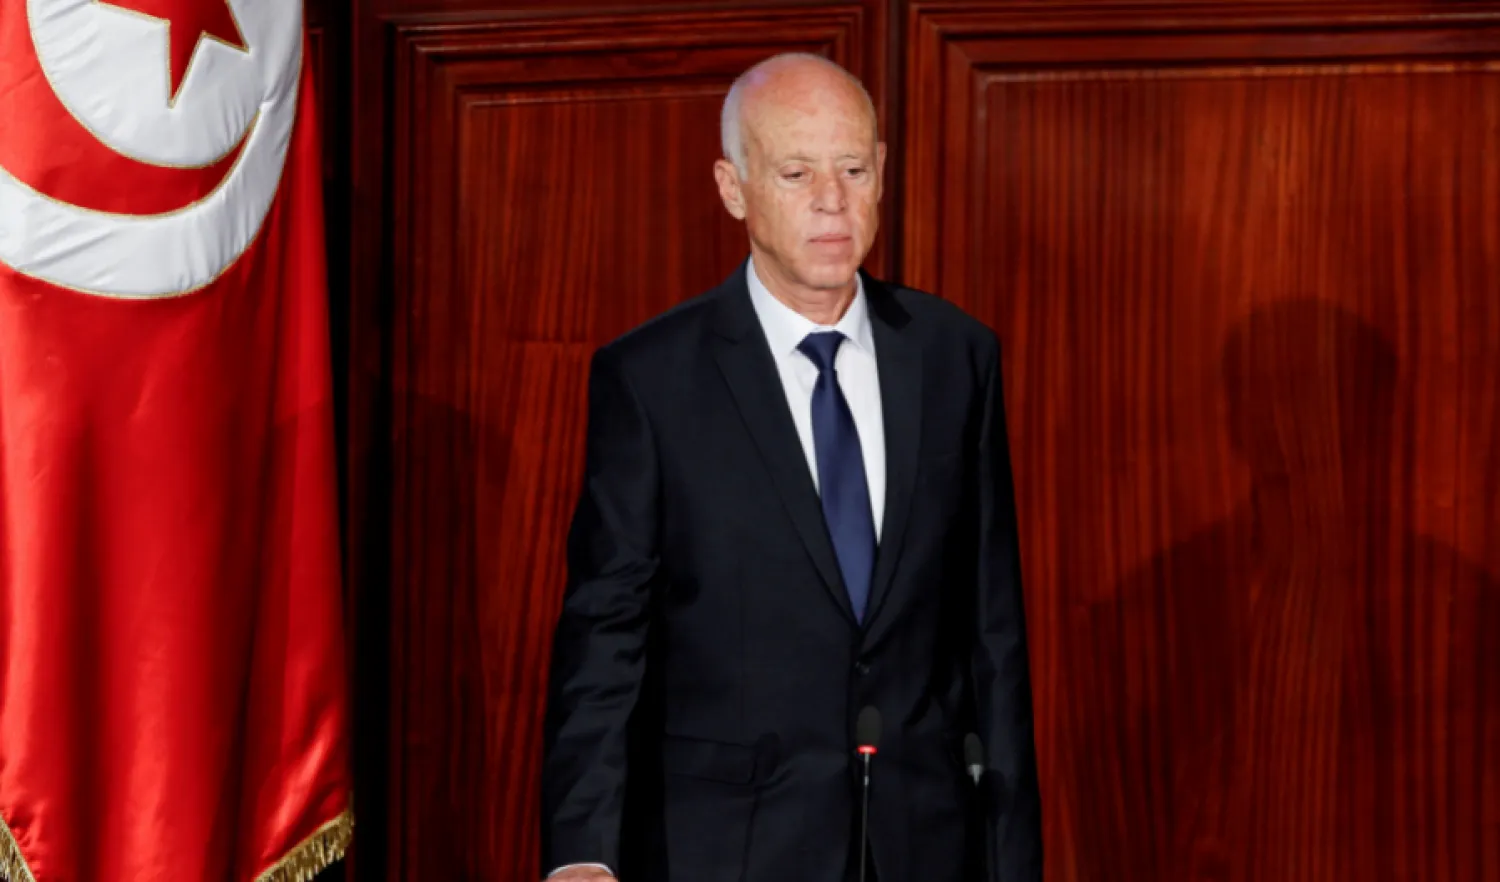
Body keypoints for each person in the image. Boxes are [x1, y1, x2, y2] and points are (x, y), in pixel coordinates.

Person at [539, 52, 1043, 882]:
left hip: (923, 842)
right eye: (797, 172)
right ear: (733, 188)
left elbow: (993, 634)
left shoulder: (956, 356)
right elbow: (606, 635)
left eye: (852, 168)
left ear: (881, 173)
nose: (831, 202)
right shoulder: (653, 378)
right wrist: (583, 852)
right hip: (727, 846)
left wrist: (1014, 855)